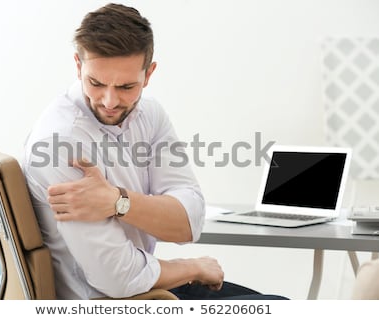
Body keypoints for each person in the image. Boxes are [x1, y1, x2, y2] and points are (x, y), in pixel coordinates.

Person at [23, 3, 286, 300]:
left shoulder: (150, 115)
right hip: (114, 303)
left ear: (149, 74)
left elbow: (189, 222)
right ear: (78, 66)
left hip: (151, 286)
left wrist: (117, 202)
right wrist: (192, 267)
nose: (109, 101)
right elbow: (118, 279)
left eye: (126, 86)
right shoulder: (60, 143)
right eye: (96, 83)